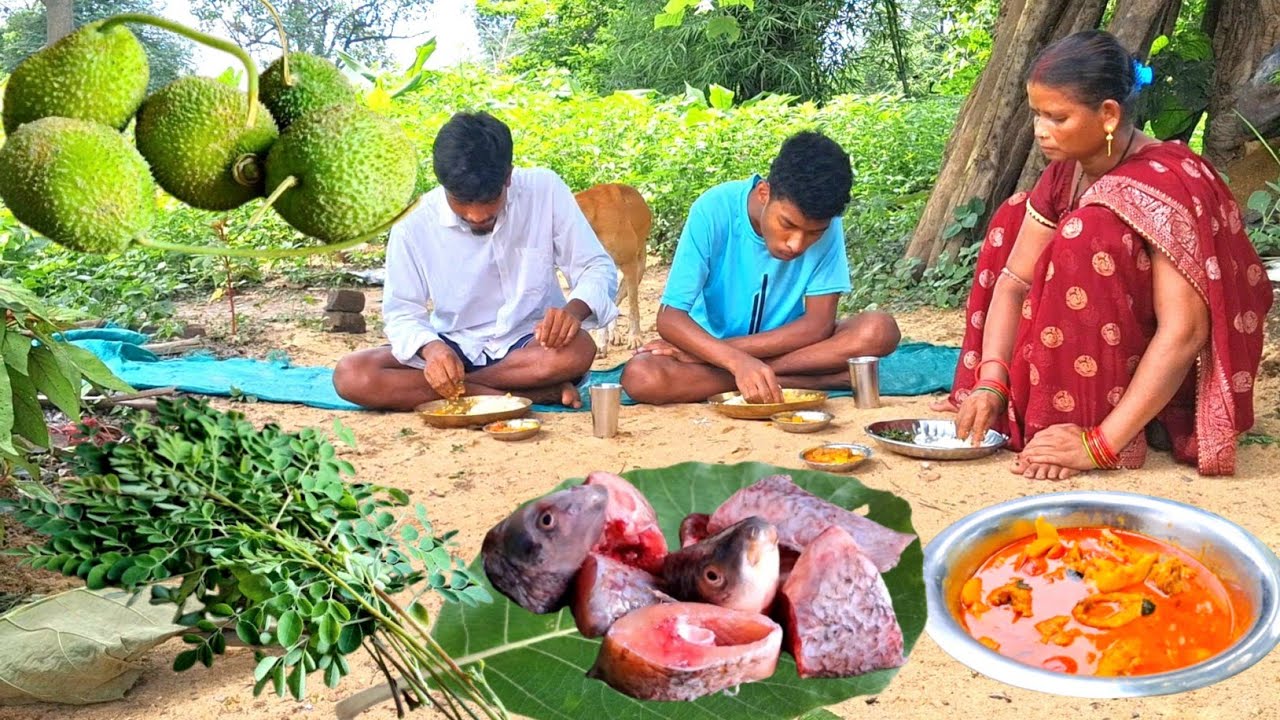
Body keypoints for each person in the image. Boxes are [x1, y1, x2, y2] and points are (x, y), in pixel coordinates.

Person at [944, 30, 1272, 479]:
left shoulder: (1168, 180)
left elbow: (1186, 331)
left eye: (1057, 117)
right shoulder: (1066, 174)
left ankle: (1096, 424)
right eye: (1036, 114)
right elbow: (1015, 282)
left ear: (1109, 115)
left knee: (1086, 231)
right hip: (1094, 351)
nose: (1041, 131)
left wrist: (1099, 444)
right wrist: (991, 381)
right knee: (1012, 219)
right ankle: (1038, 403)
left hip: (1166, 380)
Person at [332, 112, 618, 410]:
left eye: (489, 201)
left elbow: (596, 266)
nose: (476, 215)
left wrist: (573, 311)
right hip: (453, 345)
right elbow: (402, 312)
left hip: (531, 344)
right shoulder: (413, 223)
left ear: (508, 176)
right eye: (462, 202)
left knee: (579, 350)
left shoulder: (544, 189)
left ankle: (473, 389)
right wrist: (432, 350)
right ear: (443, 185)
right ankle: (530, 394)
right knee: (353, 375)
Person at [621, 131, 901, 405]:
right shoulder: (713, 209)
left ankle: (760, 376)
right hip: (713, 347)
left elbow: (817, 325)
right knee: (642, 377)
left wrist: (723, 357)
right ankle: (807, 380)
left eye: (813, 233)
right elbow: (670, 318)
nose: (796, 244)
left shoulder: (827, 225)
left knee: (879, 329)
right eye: (788, 225)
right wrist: (732, 360)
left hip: (779, 347)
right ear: (764, 193)